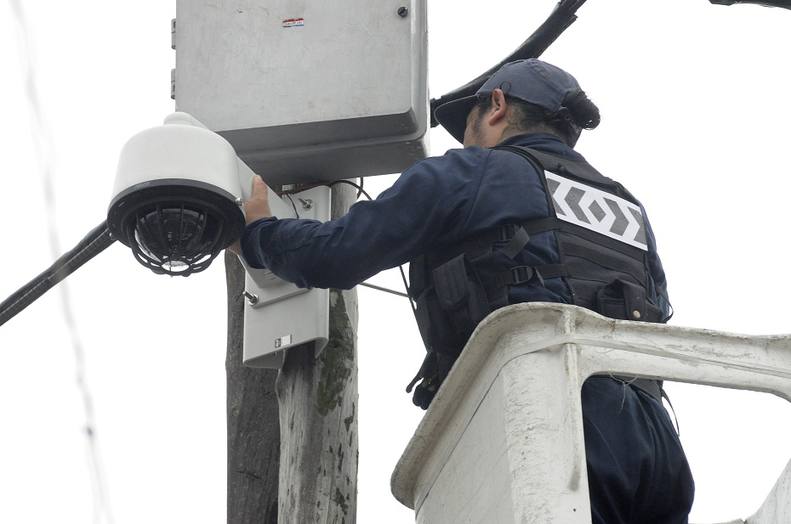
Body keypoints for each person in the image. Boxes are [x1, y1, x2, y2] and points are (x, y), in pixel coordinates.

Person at [237, 58, 695, 523]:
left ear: (496, 105)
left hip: (553, 429)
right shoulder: (629, 210)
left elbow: (335, 254)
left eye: (470, 126)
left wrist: (260, 234)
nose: (467, 141)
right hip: (656, 449)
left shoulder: (473, 172)